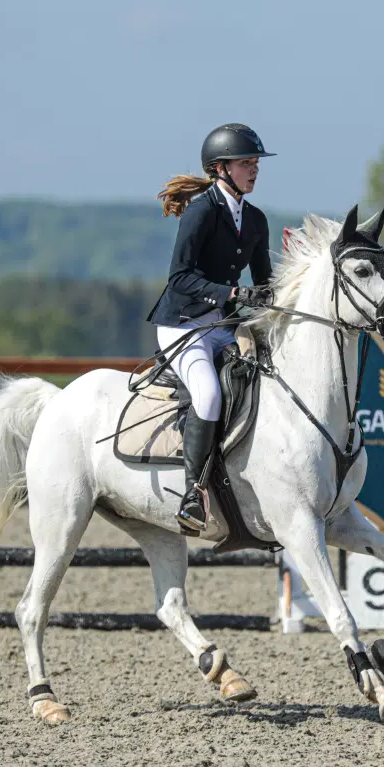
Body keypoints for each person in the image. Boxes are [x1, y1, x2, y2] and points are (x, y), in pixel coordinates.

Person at [146, 123, 277, 532]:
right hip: (182, 326)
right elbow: (179, 278)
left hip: (222, 326)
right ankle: (193, 495)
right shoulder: (201, 211)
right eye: (245, 164)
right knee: (208, 393)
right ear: (220, 169)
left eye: (255, 163)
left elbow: (266, 284)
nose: (254, 170)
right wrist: (234, 293)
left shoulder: (255, 219)